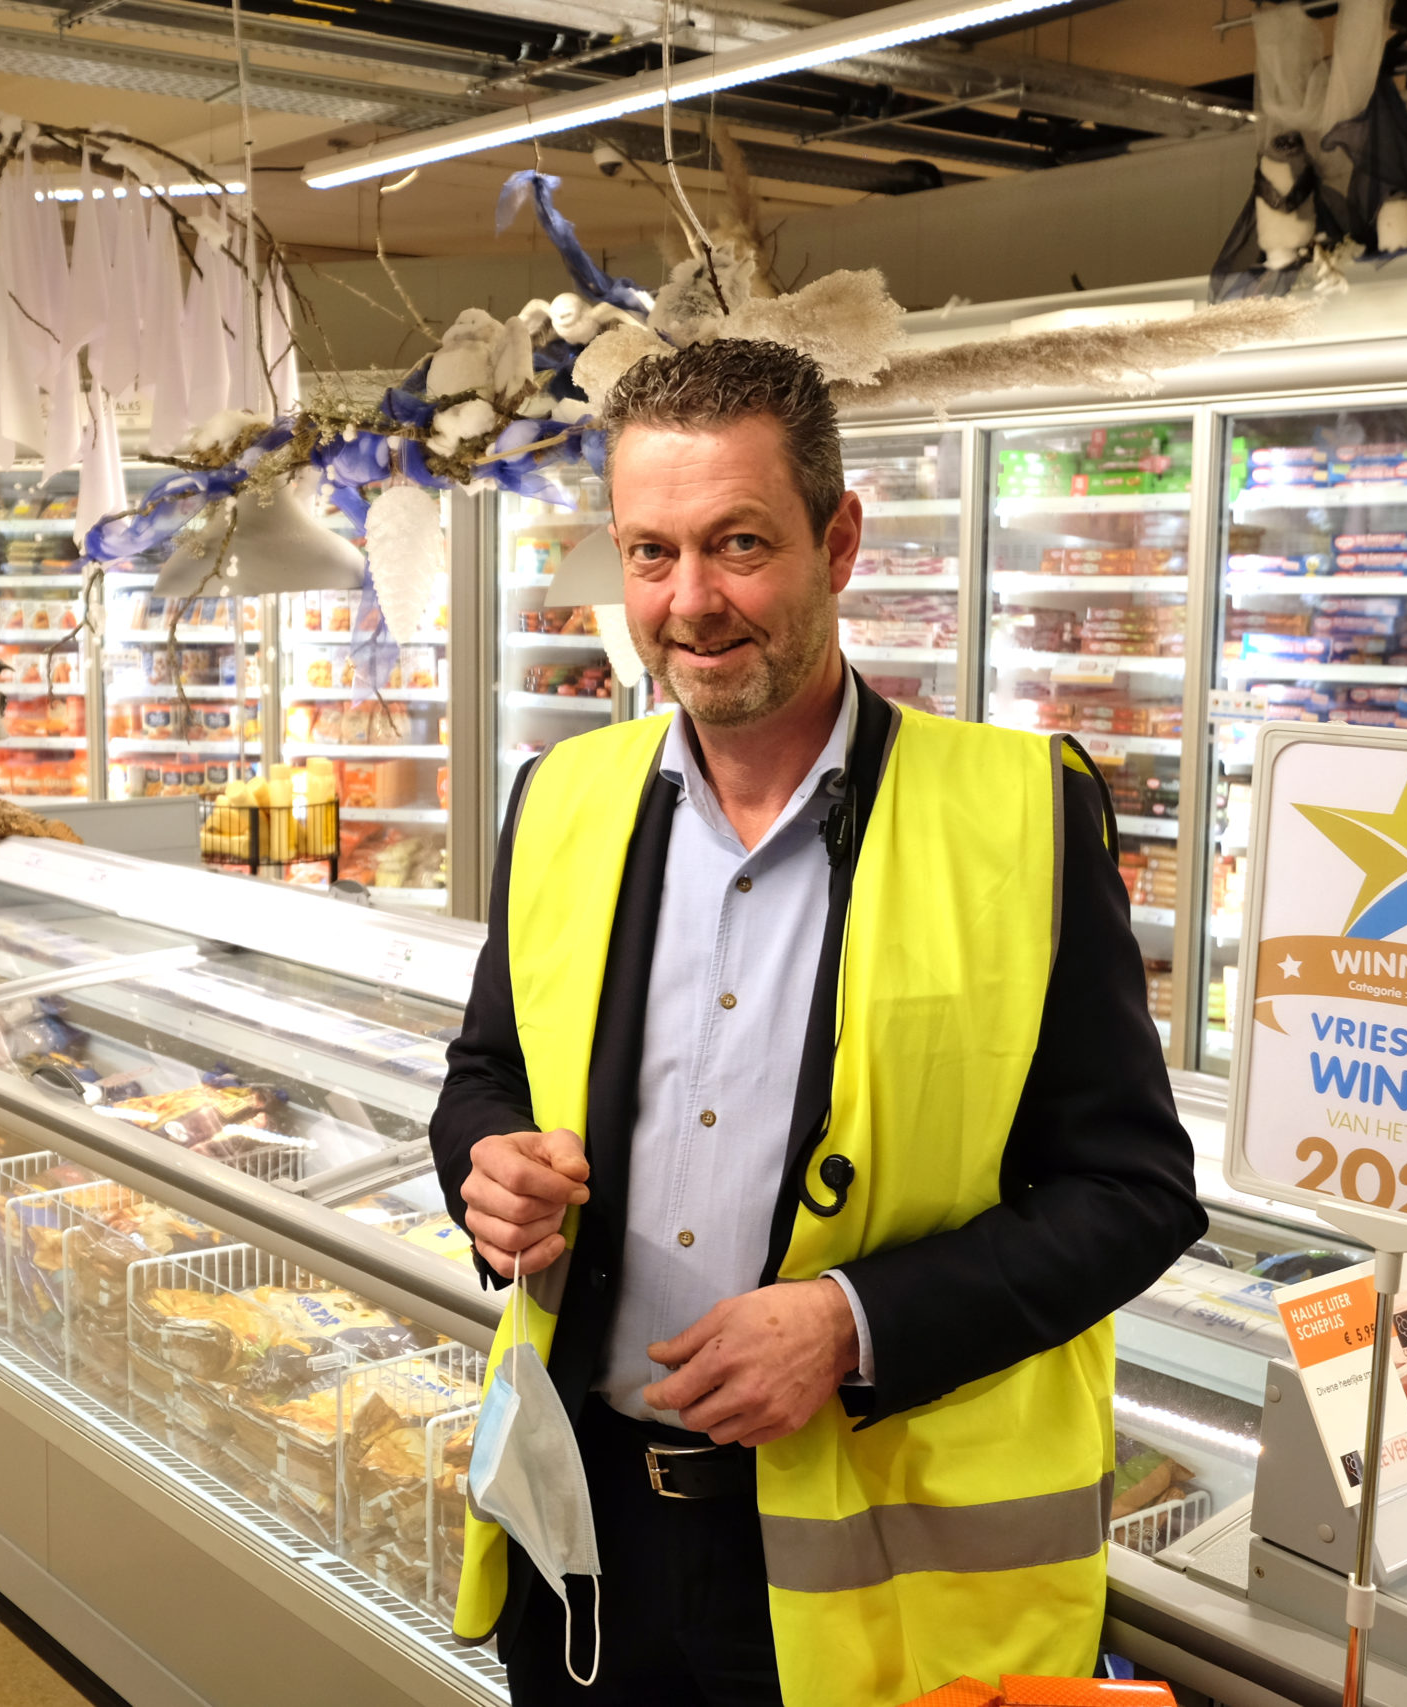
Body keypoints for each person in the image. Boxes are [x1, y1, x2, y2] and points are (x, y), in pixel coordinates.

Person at [431, 341, 1206, 1707]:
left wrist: (854, 1321)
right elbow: (488, 1075)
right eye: (651, 553)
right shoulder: (563, 797)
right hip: (583, 1529)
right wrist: (487, 1172)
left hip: (870, 1567)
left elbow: (1132, 1191)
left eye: (739, 543)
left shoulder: (1021, 813)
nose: (690, 602)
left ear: (839, 539)